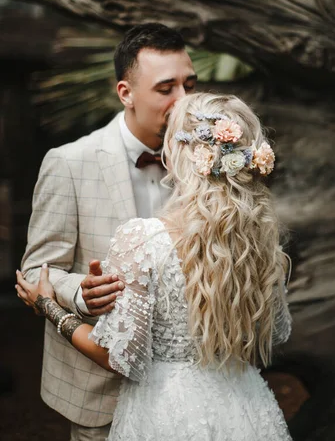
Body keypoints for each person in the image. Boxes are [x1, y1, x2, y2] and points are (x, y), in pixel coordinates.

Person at [17, 92, 292, 441]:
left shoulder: (144, 239)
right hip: (245, 409)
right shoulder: (262, 240)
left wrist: (50, 307)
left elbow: (119, 358)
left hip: (167, 412)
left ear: (177, 153)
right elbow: (277, 334)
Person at [19, 23, 197, 441]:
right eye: (166, 87)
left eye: (190, 83)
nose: (185, 100)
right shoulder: (69, 162)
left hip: (193, 389)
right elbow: (36, 271)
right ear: (126, 93)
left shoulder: (209, 162)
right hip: (101, 393)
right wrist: (82, 292)